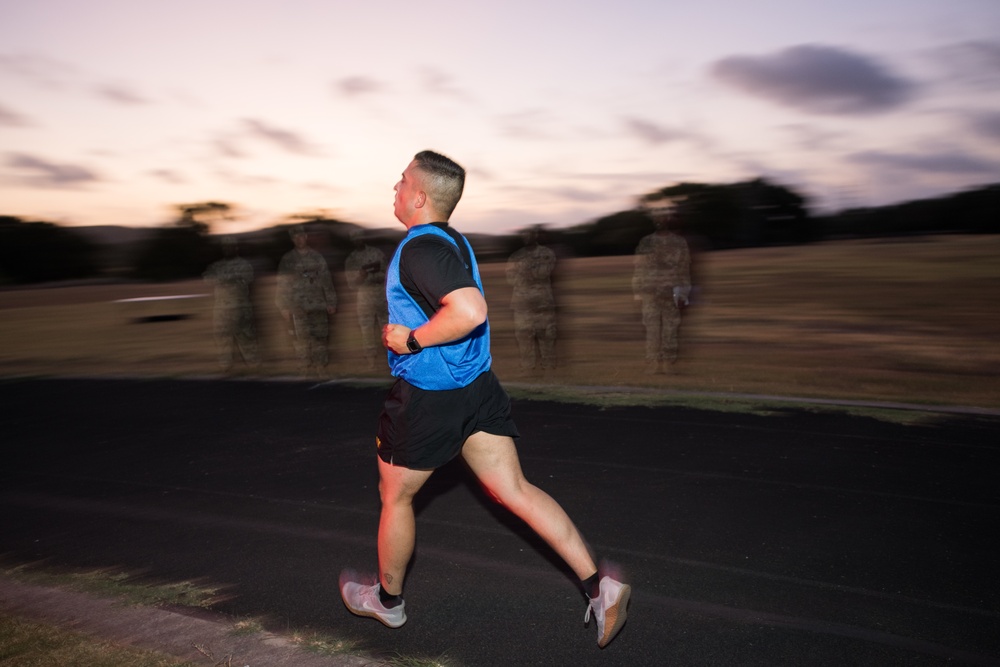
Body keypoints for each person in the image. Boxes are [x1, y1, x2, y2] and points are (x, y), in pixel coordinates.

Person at [339, 150, 630, 648]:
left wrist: (410, 340)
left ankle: (387, 604)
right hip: (477, 389)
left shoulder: (419, 249)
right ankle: (598, 586)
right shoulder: (453, 241)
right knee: (514, 488)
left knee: (396, 495)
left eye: (401, 179)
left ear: (419, 195)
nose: (394, 186)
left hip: (430, 398)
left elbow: (470, 310)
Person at [631, 208, 692, 374]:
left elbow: (684, 269)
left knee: (670, 330)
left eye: (664, 219)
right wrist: (637, 292)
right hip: (650, 293)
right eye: (658, 219)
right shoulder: (646, 242)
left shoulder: (679, 242)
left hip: (670, 292)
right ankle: (653, 365)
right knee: (652, 330)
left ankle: (669, 365)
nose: (661, 222)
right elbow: (638, 267)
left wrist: (684, 294)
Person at [275, 224, 338, 376]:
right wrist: (283, 306)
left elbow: (326, 281)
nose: (300, 239)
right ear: (293, 239)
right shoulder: (288, 259)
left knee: (320, 338)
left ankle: (321, 368)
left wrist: (331, 302)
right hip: (298, 306)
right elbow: (282, 284)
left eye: (302, 236)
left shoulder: (316, 257)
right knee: (301, 339)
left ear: (306, 237)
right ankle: (304, 368)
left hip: (318, 305)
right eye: (296, 237)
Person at [505, 226, 558, 374]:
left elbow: (544, 273)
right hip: (522, 303)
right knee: (524, 334)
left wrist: (525, 274)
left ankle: (549, 364)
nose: (527, 238)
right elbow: (510, 279)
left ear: (535, 237)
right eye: (525, 236)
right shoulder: (516, 256)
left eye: (530, 235)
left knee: (546, 334)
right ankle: (528, 365)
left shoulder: (546, 254)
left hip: (542, 302)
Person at [202, 236, 260, 372]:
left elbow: (247, 280)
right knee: (222, 336)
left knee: (245, 336)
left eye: (231, 246)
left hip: (240, 307)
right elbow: (207, 278)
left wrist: (224, 279)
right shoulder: (218, 265)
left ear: (236, 248)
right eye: (226, 247)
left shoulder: (244, 265)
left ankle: (253, 365)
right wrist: (227, 279)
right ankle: (226, 366)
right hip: (222, 308)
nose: (228, 249)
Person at [344, 229, 389, 369]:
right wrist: (361, 276)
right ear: (352, 241)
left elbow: (388, 274)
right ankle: (371, 362)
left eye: (360, 237)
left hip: (380, 295)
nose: (358, 240)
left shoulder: (376, 253)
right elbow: (351, 284)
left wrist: (377, 273)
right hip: (364, 298)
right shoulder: (351, 260)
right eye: (355, 239)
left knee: (387, 329)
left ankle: (391, 359)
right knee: (366, 330)